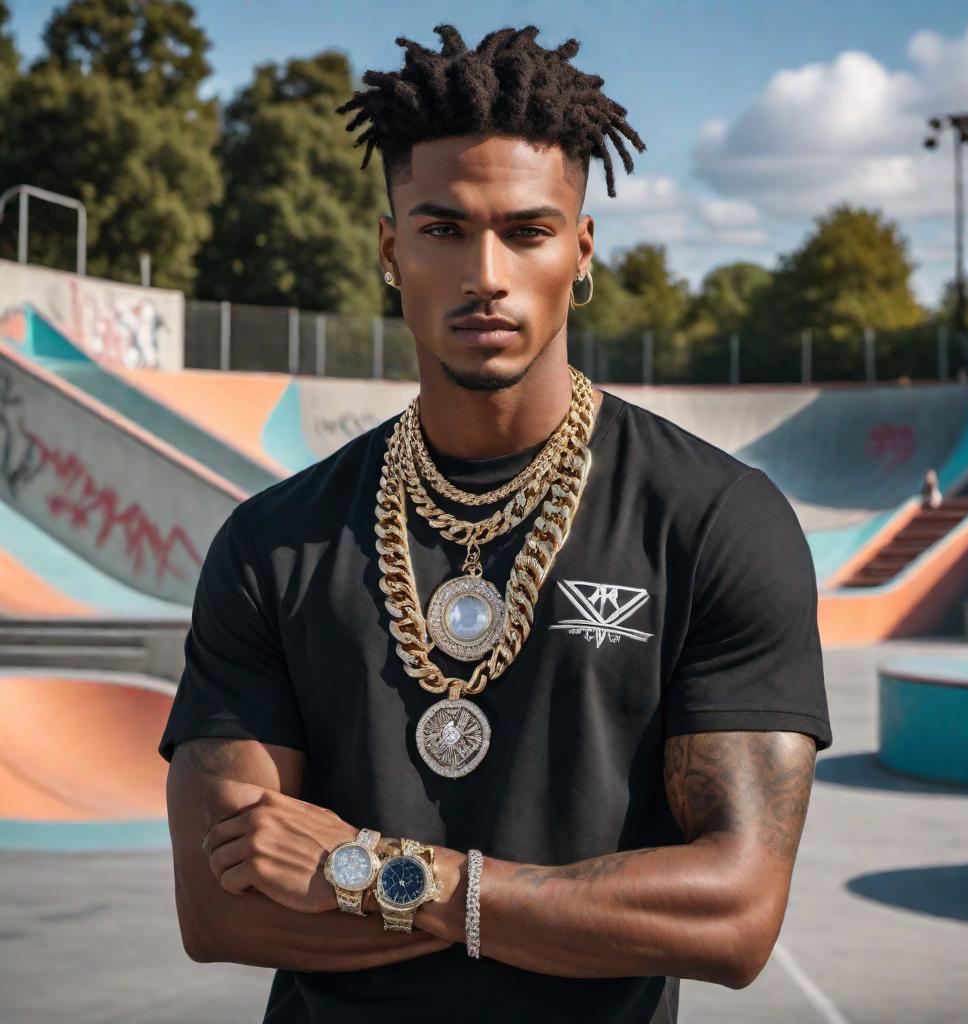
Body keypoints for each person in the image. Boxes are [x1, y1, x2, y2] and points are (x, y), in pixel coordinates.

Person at [159, 24, 832, 1024]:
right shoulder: (274, 543)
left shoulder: (714, 520)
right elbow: (223, 906)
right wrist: (560, 912)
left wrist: (395, 874)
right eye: (441, 227)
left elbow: (731, 914)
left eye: (526, 229)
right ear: (391, 250)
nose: (485, 270)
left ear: (580, 248)